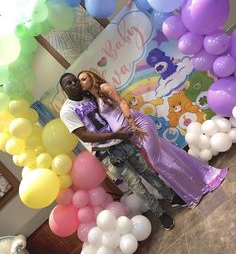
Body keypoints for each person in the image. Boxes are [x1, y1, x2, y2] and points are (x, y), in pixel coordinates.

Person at [77, 70, 228, 208]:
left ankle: (195, 189)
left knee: (158, 161)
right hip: (131, 134)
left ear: (91, 78)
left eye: (83, 79)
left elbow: (122, 103)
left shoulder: (104, 87)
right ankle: (201, 180)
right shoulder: (94, 99)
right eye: (80, 81)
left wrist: (131, 123)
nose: (81, 82)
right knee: (171, 153)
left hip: (138, 125)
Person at [60, 73, 187, 231]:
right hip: (107, 153)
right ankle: (160, 214)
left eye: (75, 80)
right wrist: (114, 135)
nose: (74, 84)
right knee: (136, 184)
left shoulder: (88, 96)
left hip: (123, 141)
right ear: (63, 89)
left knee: (148, 172)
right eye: (68, 83)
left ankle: (172, 197)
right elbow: (84, 136)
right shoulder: (67, 110)